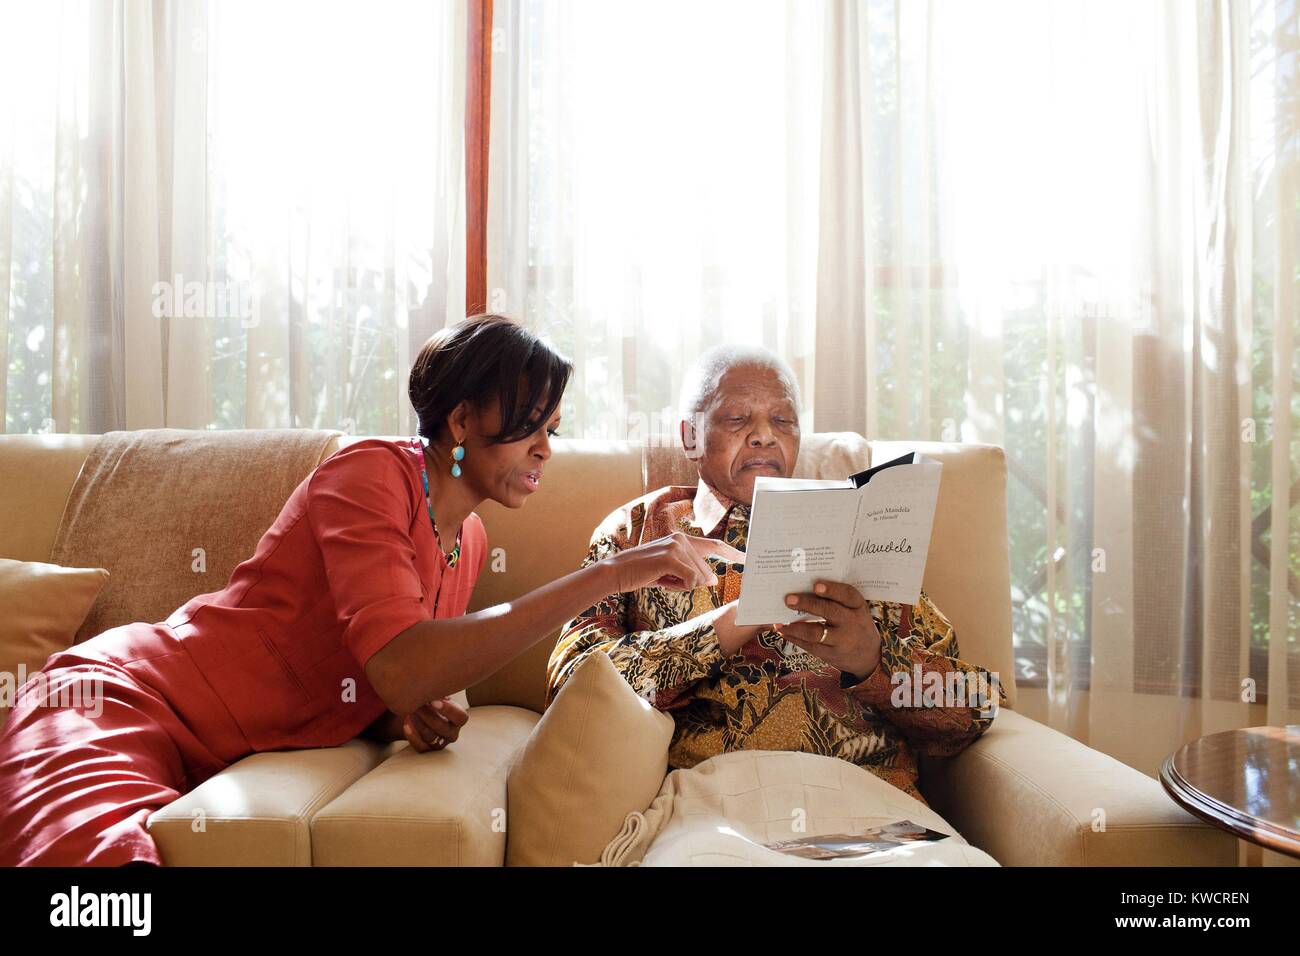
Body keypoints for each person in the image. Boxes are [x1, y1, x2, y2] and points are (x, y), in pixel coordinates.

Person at [0, 314, 742, 866]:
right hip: (125, 700)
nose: (546, 447)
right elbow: (400, 661)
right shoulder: (370, 475)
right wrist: (610, 576)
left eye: (551, 427)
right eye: (527, 426)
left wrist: (404, 716)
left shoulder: (469, 537)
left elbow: (389, 674)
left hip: (211, 748)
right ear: (460, 420)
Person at [547, 343, 1006, 806]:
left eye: (783, 421)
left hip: (868, 805)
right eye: (737, 419)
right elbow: (573, 689)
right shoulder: (640, 533)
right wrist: (725, 627)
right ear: (690, 436)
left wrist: (874, 661)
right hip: (716, 806)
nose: (765, 436)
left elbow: (975, 708)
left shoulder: (863, 529)